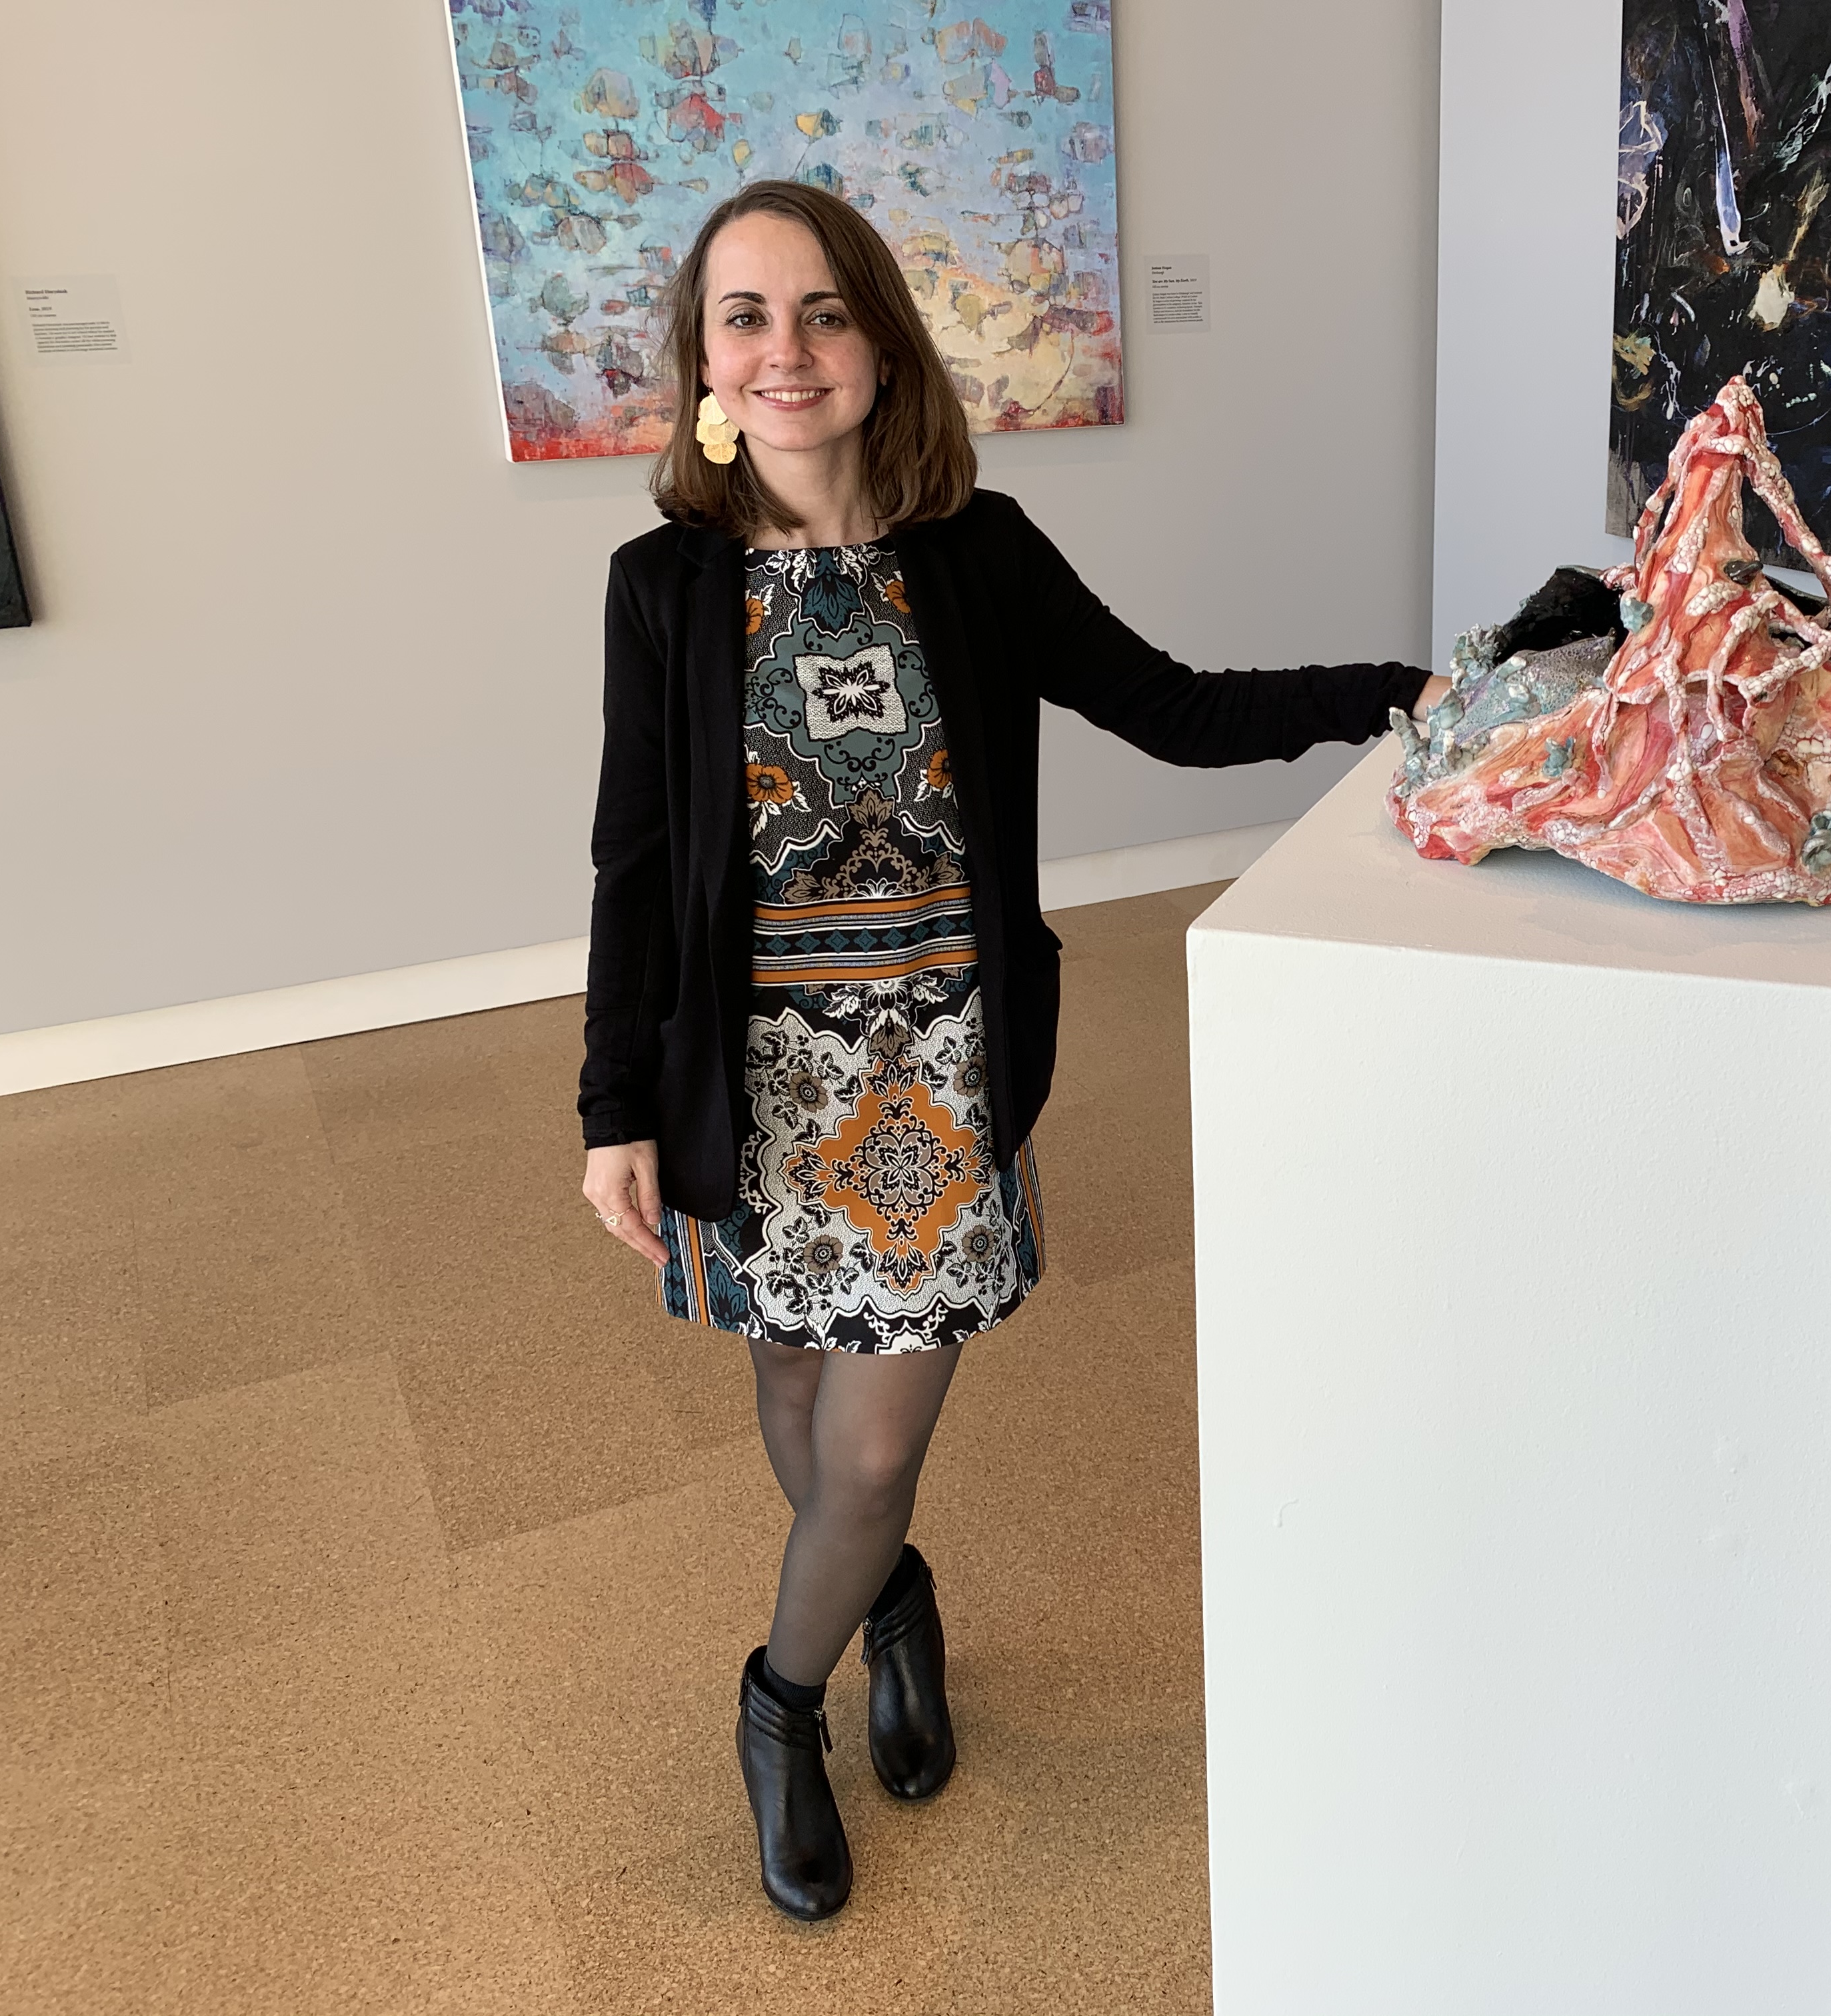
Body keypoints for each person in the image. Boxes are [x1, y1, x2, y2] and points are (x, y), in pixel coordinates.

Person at [577, 179, 1445, 1923]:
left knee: (875, 1452)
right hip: (752, 1092)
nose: (788, 350)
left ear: (883, 340)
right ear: (705, 367)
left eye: (823, 310)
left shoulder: (976, 551)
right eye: (745, 318)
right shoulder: (663, 585)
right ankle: (888, 1604)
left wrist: (1403, 688)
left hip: (932, 1080)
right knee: (803, 1395)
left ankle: (781, 1704)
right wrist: (612, 1105)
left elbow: (1179, 708)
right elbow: (638, 859)